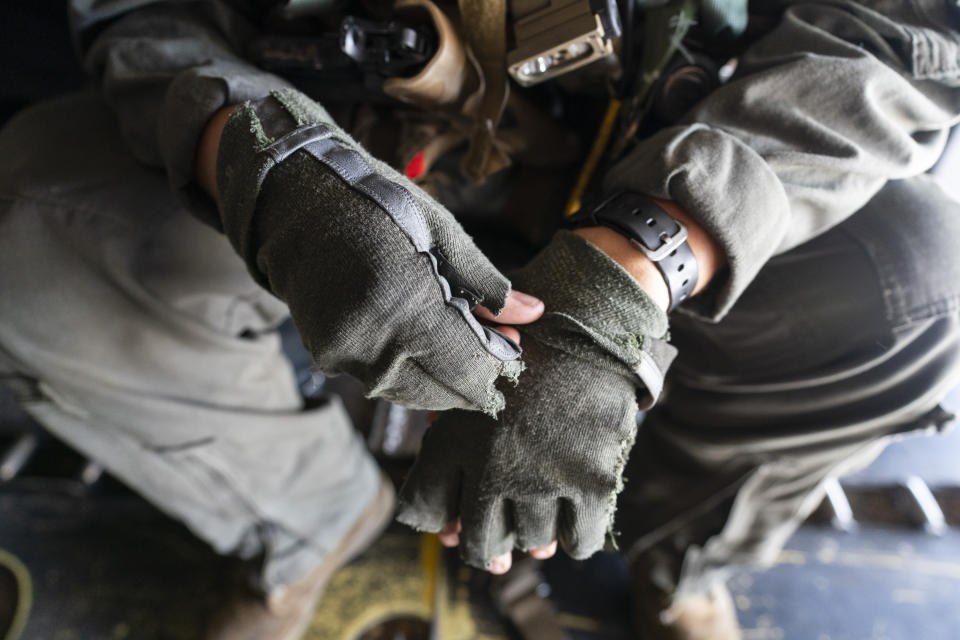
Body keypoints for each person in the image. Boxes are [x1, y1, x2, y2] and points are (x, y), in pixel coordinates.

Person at [0, 1, 958, 639]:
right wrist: (263, 164)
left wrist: (632, 276)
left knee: (919, 283)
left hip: (690, 166)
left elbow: (900, 44)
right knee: (35, 234)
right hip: (345, 151)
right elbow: (142, 16)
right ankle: (306, 523)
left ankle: (683, 561)